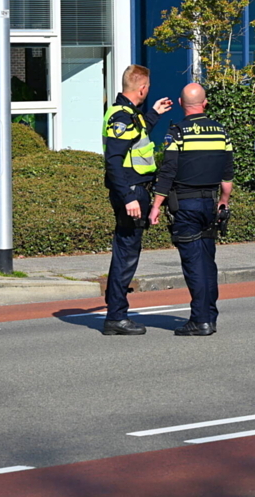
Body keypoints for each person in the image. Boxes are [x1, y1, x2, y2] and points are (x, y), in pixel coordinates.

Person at [149, 83, 233, 337]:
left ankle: (200, 320)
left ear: (181, 103)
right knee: (207, 262)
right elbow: (227, 175)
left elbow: (168, 171)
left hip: (185, 206)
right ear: (205, 103)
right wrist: (224, 201)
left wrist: (155, 206)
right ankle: (210, 316)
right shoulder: (221, 132)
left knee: (193, 264)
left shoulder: (177, 132)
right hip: (210, 205)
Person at [102, 65, 173, 336]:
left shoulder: (128, 113)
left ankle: (115, 311)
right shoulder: (122, 116)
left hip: (133, 189)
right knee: (126, 252)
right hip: (131, 191)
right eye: (148, 87)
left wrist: (154, 113)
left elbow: (137, 136)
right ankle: (116, 316)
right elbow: (113, 161)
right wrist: (129, 196)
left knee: (126, 250)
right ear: (142, 88)